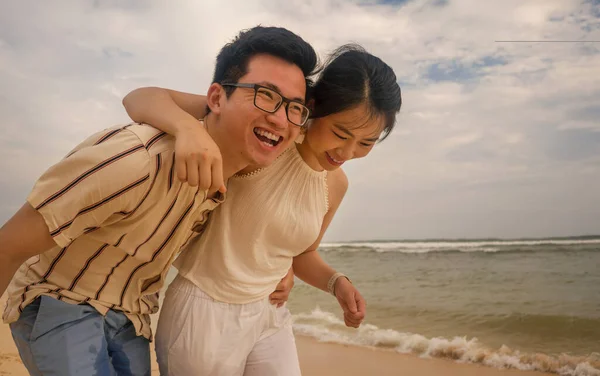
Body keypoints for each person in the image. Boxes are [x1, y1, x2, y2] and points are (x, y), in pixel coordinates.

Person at [0, 26, 318, 376]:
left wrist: (286, 267)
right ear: (215, 99)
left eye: (294, 108)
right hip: (59, 296)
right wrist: (186, 127)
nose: (279, 117)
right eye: (264, 95)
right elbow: (8, 246)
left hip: (131, 315)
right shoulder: (138, 160)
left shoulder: (231, 180)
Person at [122, 44, 402, 375]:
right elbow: (140, 98)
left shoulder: (336, 184)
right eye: (341, 133)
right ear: (312, 107)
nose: (348, 151)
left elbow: (303, 253)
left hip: (270, 313)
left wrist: (336, 283)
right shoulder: (265, 141)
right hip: (205, 309)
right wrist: (187, 130)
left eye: (366, 143)